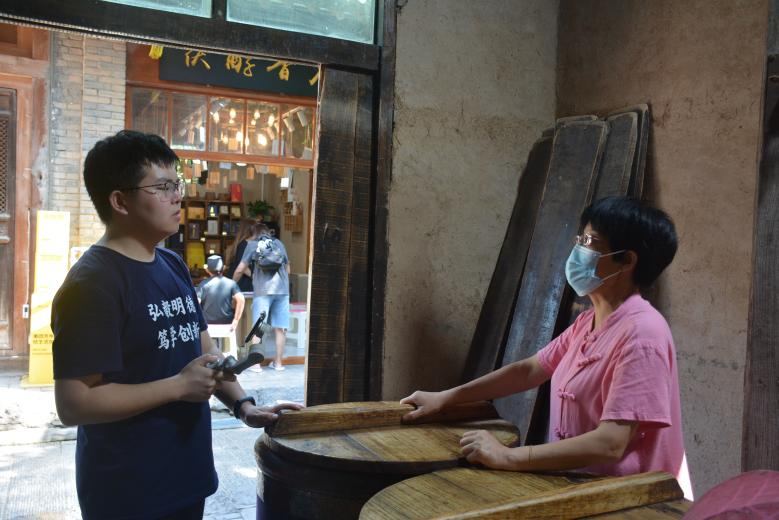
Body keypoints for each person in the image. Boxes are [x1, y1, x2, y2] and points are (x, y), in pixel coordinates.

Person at [51, 130, 302, 520]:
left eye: (176, 185)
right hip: (127, 491)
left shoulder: (171, 265)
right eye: (162, 187)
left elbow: (205, 352)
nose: (177, 197)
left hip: (187, 474)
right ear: (119, 201)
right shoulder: (92, 284)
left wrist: (245, 406)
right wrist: (178, 386)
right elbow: (74, 403)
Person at [401, 196, 693, 499]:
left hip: (629, 501)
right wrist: (445, 398)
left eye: (590, 242)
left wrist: (509, 456)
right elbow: (529, 370)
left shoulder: (643, 334)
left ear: (627, 260)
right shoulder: (589, 321)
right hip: (582, 489)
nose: (578, 250)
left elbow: (611, 443)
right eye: (580, 239)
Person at [233, 222, 290, 371]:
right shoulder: (279, 244)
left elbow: (240, 269)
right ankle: (278, 363)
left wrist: (231, 285)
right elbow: (288, 268)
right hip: (282, 291)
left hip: (263, 290)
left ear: (253, 234)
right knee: (280, 328)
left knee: (259, 327)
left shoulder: (252, 245)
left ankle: (256, 365)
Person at [197, 254, 245, 353]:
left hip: (207, 324)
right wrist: (236, 320)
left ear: (207, 270)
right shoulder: (231, 283)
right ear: (223, 268)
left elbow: (196, 302)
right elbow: (241, 299)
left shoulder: (203, 285)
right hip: (227, 323)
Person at [224, 219, 255, 292]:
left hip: (239, 284)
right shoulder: (244, 245)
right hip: (242, 284)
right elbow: (243, 269)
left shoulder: (242, 244)